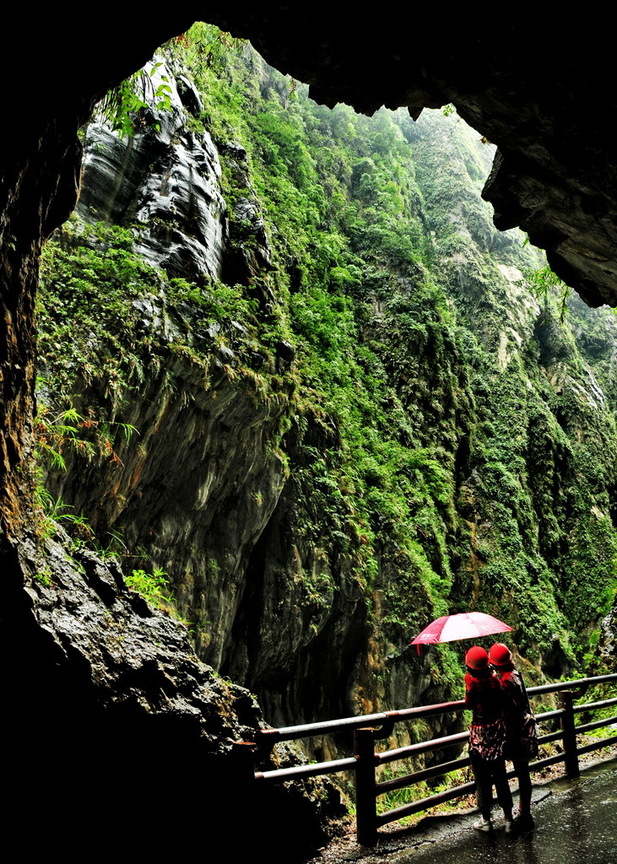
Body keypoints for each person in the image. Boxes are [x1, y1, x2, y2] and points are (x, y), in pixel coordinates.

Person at [464, 645, 514, 832]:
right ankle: (508, 819)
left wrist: (468, 683)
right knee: (501, 777)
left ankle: (486, 820)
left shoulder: (472, 683)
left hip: (479, 737)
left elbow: (469, 705)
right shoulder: (496, 682)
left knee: (482, 780)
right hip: (497, 733)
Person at [488, 643, 535, 828]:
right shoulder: (516, 675)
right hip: (524, 729)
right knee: (524, 773)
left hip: (516, 733)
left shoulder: (506, 682)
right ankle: (525, 811)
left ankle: (525, 814)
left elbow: (507, 709)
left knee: (522, 773)